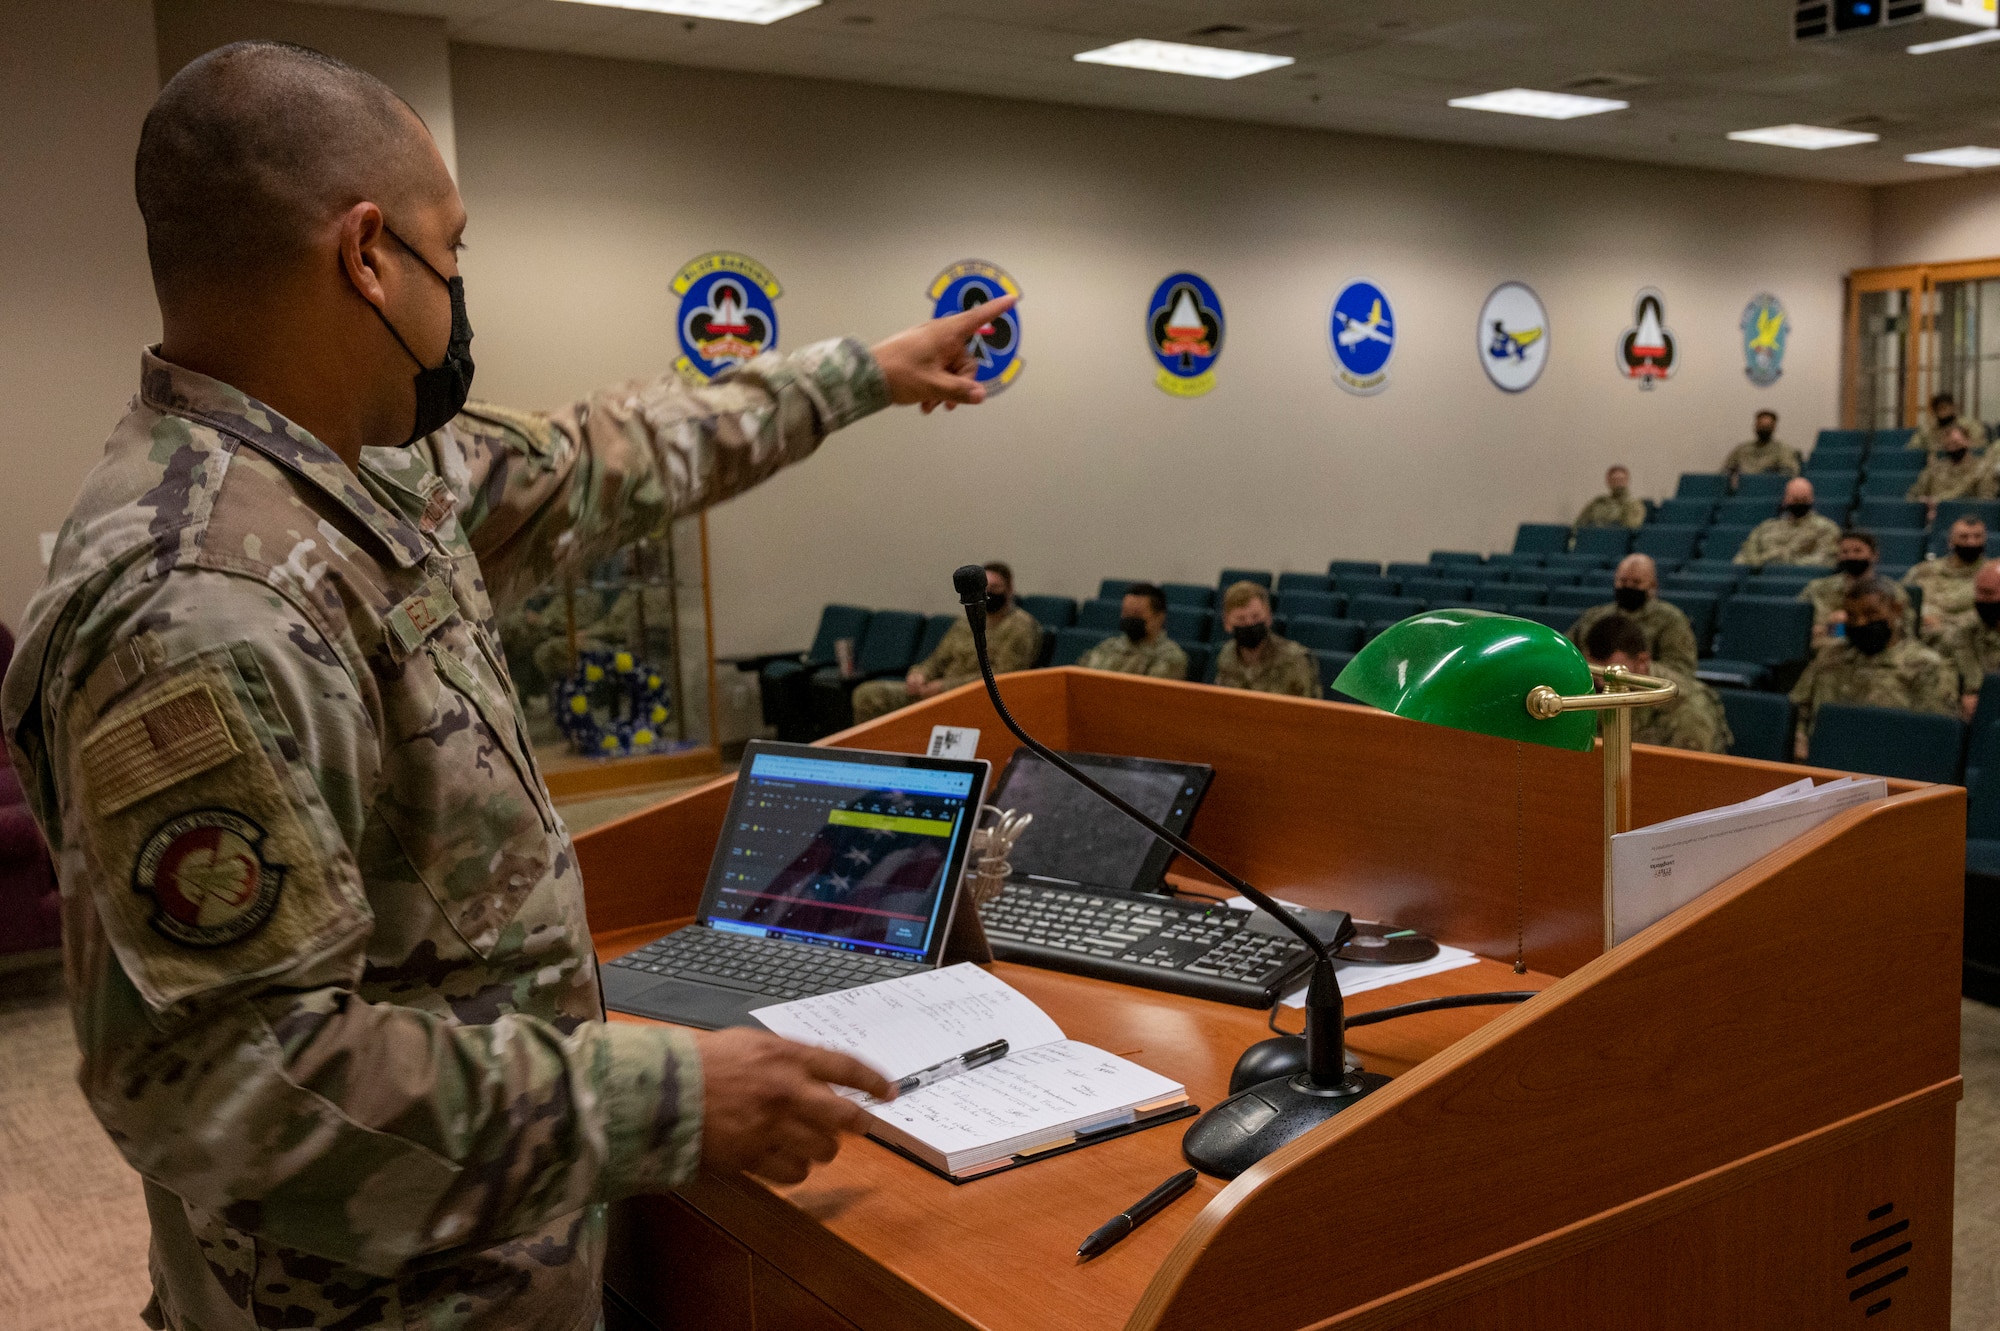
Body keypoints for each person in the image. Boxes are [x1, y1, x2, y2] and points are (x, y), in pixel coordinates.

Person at [0, 42, 1022, 1330]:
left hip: (491, 1260)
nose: (457, 291)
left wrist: (857, 375)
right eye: (454, 252)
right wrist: (671, 1095)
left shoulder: (362, 472)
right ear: (367, 255)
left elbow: (610, 455)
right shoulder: (202, 600)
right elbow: (237, 1086)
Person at [1789, 578, 1957, 758]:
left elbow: (1934, 737)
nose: (1861, 623)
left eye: (1871, 614)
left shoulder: (1926, 665)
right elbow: (1796, 709)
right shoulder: (1830, 656)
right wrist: (1799, 741)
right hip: (1821, 762)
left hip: (1889, 765)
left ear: (1896, 611)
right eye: (1852, 617)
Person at [851, 563, 1041, 721]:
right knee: (868, 695)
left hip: (974, 698)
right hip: (934, 692)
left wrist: (945, 687)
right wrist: (919, 675)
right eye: (985, 588)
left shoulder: (1021, 626)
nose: (989, 593)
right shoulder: (967, 621)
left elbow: (1003, 677)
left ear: (1009, 590)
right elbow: (937, 660)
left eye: (995, 588)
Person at [1580, 613, 1731, 754]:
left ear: (1642, 662)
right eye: (1595, 671)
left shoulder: (1685, 703)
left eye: (1611, 672)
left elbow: (1692, 770)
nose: (1599, 682)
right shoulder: (1595, 687)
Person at [1565, 553, 1698, 675]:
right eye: (1622, 581)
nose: (1628, 587)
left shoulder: (1670, 619)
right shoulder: (1595, 616)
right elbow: (1567, 651)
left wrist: (1635, 667)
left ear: (1653, 586)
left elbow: (1681, 670)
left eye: (1636, 583)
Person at [1798, 529, 1913, 645]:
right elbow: (1803, 629)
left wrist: (1842, 626)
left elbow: (1903, 631)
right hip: (1826, 655)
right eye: (1844, 552)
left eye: (1858, 551)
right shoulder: (1818, 588)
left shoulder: (1893, 590)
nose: (1851, 556)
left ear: (1874, 555)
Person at [1213, 581, 1319, 697]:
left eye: (1256, 617)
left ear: (1268, 617)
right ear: (1227, 623)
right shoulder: (1226, 655)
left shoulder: (1295, 658)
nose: (1249, 624)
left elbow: (1308, 710)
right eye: (1241, 619)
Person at [1904, 514, 1990, 639]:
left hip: (1974, 641)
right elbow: (1901, 600)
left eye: (1977, 536)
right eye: (1964, 536)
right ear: (1950, 541)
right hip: (1926, 640)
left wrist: (1944, 623)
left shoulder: (1993, 574)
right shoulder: (1924, 570)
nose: (1971, 542)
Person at [1078, 582, 1188, 679]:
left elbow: (1147, 693)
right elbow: (1080, 676)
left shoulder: (1170, 657)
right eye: (1126, 613)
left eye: (1137, 614)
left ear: (1159, 617)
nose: (1130, 620)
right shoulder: (1108, 646)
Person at [1732, 477, 1841, 567]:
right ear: (1785, 500)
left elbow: (1826, 560)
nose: (1798, 504)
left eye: (1803, 499)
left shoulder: (1826, 528)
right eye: (1794, 499)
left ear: (1812, 500)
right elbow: (1745, 554)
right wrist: (1759, 564)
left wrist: (1784, 563)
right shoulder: (1767, 527)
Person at [1943, 560, 2000, 719]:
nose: (1982, 600)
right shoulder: (1966, 630)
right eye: (1979, 592)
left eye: (1989, 593)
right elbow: (1947, 671)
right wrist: (1960, 698)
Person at [1905, 422, 1995, 521]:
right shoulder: (1935, 468)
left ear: (1968, 441)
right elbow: (1913, 495)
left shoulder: (1982, 468)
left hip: (1967, 521)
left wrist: (1939, 502)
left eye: (1957, 443)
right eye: (1950, 445)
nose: (1954, 448)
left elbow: (1986, 503)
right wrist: (1922, 501)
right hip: (1935, 520)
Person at [1722, 410, 1801, 479]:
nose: (1764, 429)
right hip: (1743, 489)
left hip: (1771, 491)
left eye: (1767, 426)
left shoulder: (1784, 450)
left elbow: (1790, 474)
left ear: (1774, 427)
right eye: (1761, 426)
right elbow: (1725, 471)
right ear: (1755, 426)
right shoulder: (1741, 450)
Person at [1909, 391, 1990, 456]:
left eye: (1945, 408)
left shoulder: (1970, 425)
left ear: (1953, 407)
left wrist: (1958, 444)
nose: (1942, 412)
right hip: (1938, 466)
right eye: (1938, 409)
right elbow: (1912, 449)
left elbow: (1981, 446)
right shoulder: (1927, 429)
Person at [1573, 465, 1645, 531]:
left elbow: (1630, 527)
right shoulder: (1598, 503)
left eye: (1621, 480)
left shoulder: (1633, 505)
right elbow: (1580, 523)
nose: (1618, 483)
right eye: (1615, 480)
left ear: (1627, 481)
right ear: (1608, 481)